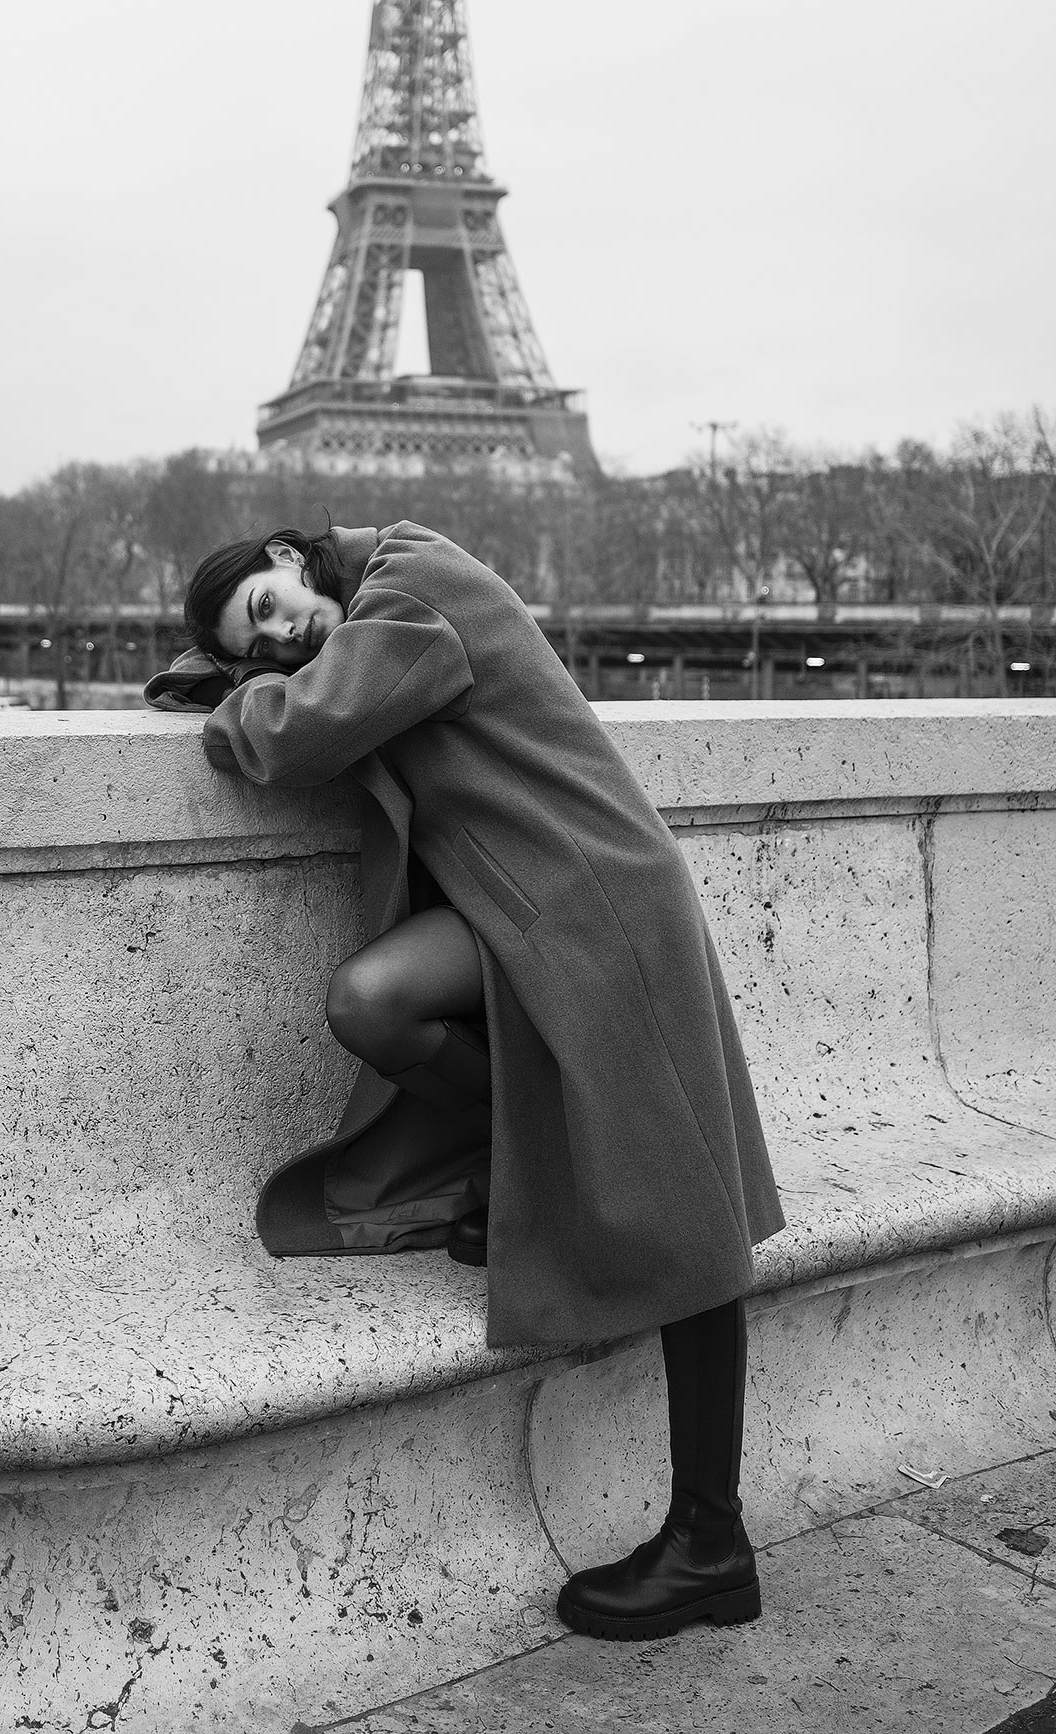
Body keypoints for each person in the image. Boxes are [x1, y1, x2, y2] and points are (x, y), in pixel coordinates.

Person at [154, 518, 783, 1642]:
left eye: (267, 607)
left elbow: (297, 734)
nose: (283, 638)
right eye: (260, 646)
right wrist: (229, 663)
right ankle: (532, 1164)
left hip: (598, 902)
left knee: (685, 1216)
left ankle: (711, 1541)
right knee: (371, 1002)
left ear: (288, 556)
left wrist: (234, 697)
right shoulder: (365, 617)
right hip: (513, 907)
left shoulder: (412, 580)